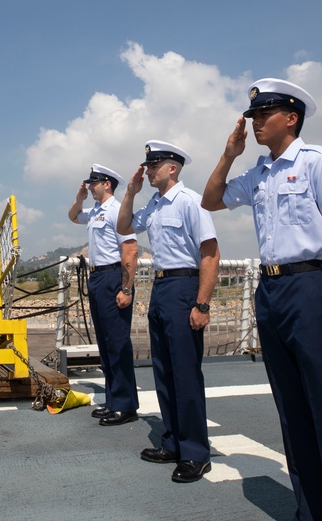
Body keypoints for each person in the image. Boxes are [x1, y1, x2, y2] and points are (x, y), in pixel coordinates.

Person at [203, 78, 322, 520]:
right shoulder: (257, 173)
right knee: (292, 412)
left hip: (312, 286)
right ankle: (309, 510)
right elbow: (211, 198)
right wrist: (229, 154)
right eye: (252, 115)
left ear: (291, 117)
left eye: (263, 114)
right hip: (271, 290)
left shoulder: (319, 162)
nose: (255, 121)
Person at [116, 141, 219, 483]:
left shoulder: (191, 201)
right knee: (163, 371)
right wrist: (130, 193)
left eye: (154, 164)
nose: (147, 170)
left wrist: (202, 304)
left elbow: (210, 253)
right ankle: (173, 442)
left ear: (172, 167)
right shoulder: (155, 204)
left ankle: (196, 454)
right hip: (160, 287)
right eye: (147, 165)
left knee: (185, 372)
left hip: (184, 286)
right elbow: (124, 227)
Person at [67, 164, 140, 426]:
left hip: (112, 277)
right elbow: (73, 217)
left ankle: (126, 405)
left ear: (107, 183)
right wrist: (79, 200)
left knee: (118, 342)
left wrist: (126, 288)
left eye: (93, 183)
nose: (90, 186)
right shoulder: (96, 210)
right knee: (106, 344)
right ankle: (113, 400)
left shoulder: (118, 211)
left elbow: (130, 250)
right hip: (97, 276)